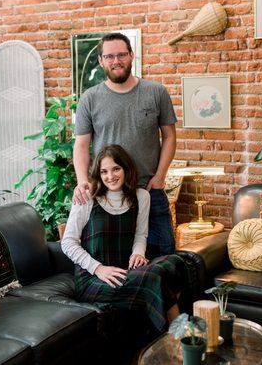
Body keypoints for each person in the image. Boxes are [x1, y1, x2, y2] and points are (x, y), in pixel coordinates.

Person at [73, 32, 177, 258]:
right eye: (109, 56)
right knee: (116, 260)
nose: (116, 61)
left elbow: (169, 136)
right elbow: (81, 145)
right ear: (101, 61)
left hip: (150, 189)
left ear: (131, 56)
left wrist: (160, 177)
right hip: (108, 196)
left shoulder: (156, 92)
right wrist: (83, 182)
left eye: (121, 54)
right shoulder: (90, 98)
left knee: (165, 255)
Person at [61, 145, 185, 332]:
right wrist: (98, 269)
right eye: (104, 171)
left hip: (125, 271)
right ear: (98, 173)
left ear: (126, 169)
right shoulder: (87, 197)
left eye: (116, 169)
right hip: (93, 279)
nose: (110, 176)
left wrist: (138, 253)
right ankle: (180, 335)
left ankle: (177, 338)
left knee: (174, 262)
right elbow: (68, 243)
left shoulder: (141, 196)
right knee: (154, 277)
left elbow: (140, 234)